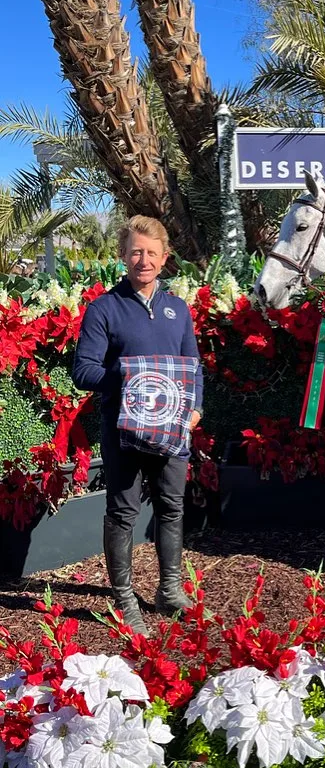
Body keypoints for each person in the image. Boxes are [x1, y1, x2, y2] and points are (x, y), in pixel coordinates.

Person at [73, 216, 203, 635]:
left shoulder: (177, 309)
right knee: (123, 512)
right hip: (123, 430)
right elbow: (83, 371)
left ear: (164, 259)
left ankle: (169, 590)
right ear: (122, 256)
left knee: (172, 506)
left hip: (172, 429)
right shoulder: (104, 308)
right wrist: (130, 376)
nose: (142, 260)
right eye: (135, 252)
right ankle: (125, 598)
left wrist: (195, 407)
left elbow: (192, 367)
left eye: (150, 252)